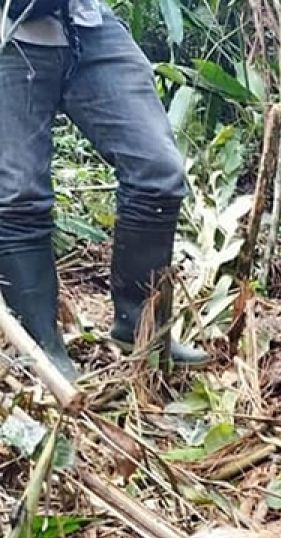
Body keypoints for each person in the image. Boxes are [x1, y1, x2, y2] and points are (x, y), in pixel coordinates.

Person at [0, 0, 208, 382]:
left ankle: (142, 329)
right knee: (18, 195)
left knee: (157, 172)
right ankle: (40, 350)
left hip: (86, 23)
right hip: (10, 34)